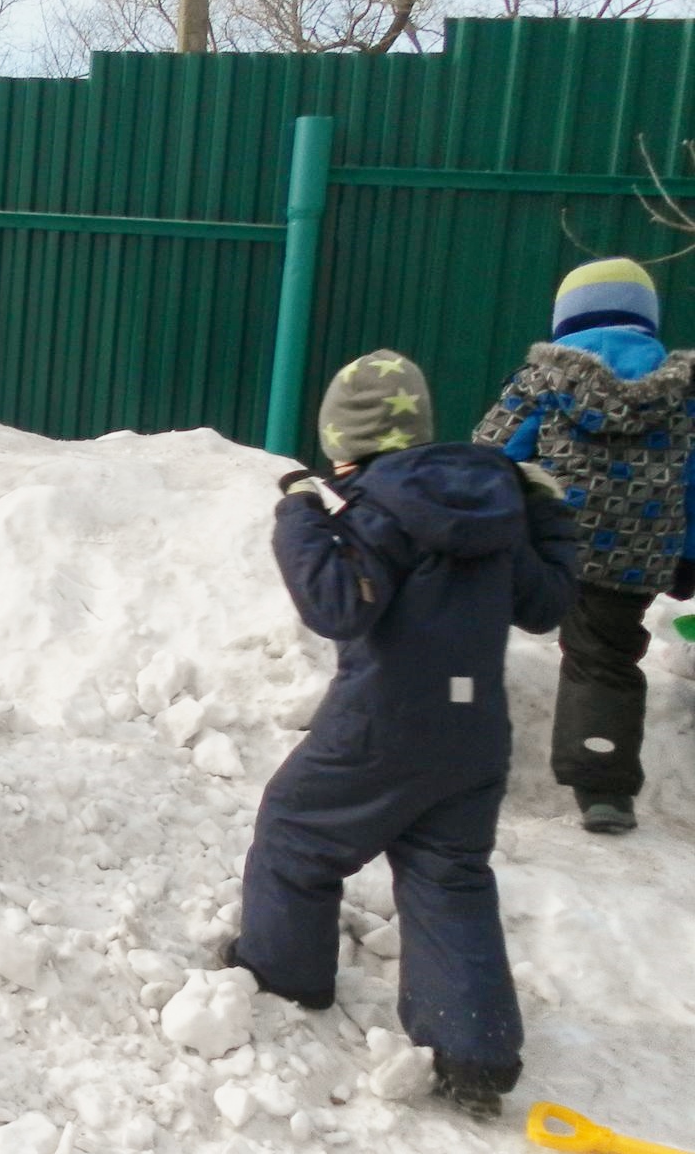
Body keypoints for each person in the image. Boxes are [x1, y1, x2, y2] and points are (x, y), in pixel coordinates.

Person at [224, 349, 578, 1121]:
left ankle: (286, 976)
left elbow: (336, 606)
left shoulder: (381, 508)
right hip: (472, 731)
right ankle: (473, 1052)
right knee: (449, 873)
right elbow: (545, 603)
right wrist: (548, 514)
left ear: (343, 443)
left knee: (295, 832)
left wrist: (300, 514)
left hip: (383, 725)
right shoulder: (497, 504)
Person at [473, 257, 695, 834]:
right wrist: (689, 552)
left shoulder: (543, 379)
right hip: (638, 550)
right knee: (605, 656)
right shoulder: (683, 393)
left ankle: (451, 742)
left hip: (550, 538)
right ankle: (603, 786)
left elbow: (492, 455)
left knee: (469, 620)